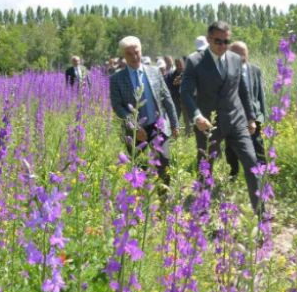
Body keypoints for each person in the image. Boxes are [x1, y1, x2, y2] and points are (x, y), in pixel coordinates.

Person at [180, 21, 262, 213]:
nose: (223, 46)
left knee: (252, 163)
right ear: (209, 39)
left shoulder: (235, 59)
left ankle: (261, 213)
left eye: (227, 41)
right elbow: (185, 92)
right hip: (208, 124)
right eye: (219, 41)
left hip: (236, 121)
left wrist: (250, 117)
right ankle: (202, 211)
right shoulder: (195, 61)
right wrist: (197, 116)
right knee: (205, 168)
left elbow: (243, 91)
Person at [109, 36, 179, 185]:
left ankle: (164, 200)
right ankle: (140, 203)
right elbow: (117, 106)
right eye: (129, 54)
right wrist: (133, 125)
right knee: (139, 169)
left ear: (141, 51)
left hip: (158, 127)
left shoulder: (154, 72)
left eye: (137, 52)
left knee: (164, 164)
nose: (134, 57)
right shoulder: (116, 79)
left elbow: (167, 99)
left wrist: (174, 124)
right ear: (123, 56)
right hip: (134, 131)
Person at [224, 41, 267, 180]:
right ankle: (234, 174)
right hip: (233, 117)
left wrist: (262, 117)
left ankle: (262, 174)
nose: (242, 56)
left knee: (258, 145)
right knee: (231, 148)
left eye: (244, 52)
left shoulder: (255, 70)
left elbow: (260, 94)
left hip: (254, 117)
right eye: (238, 53)